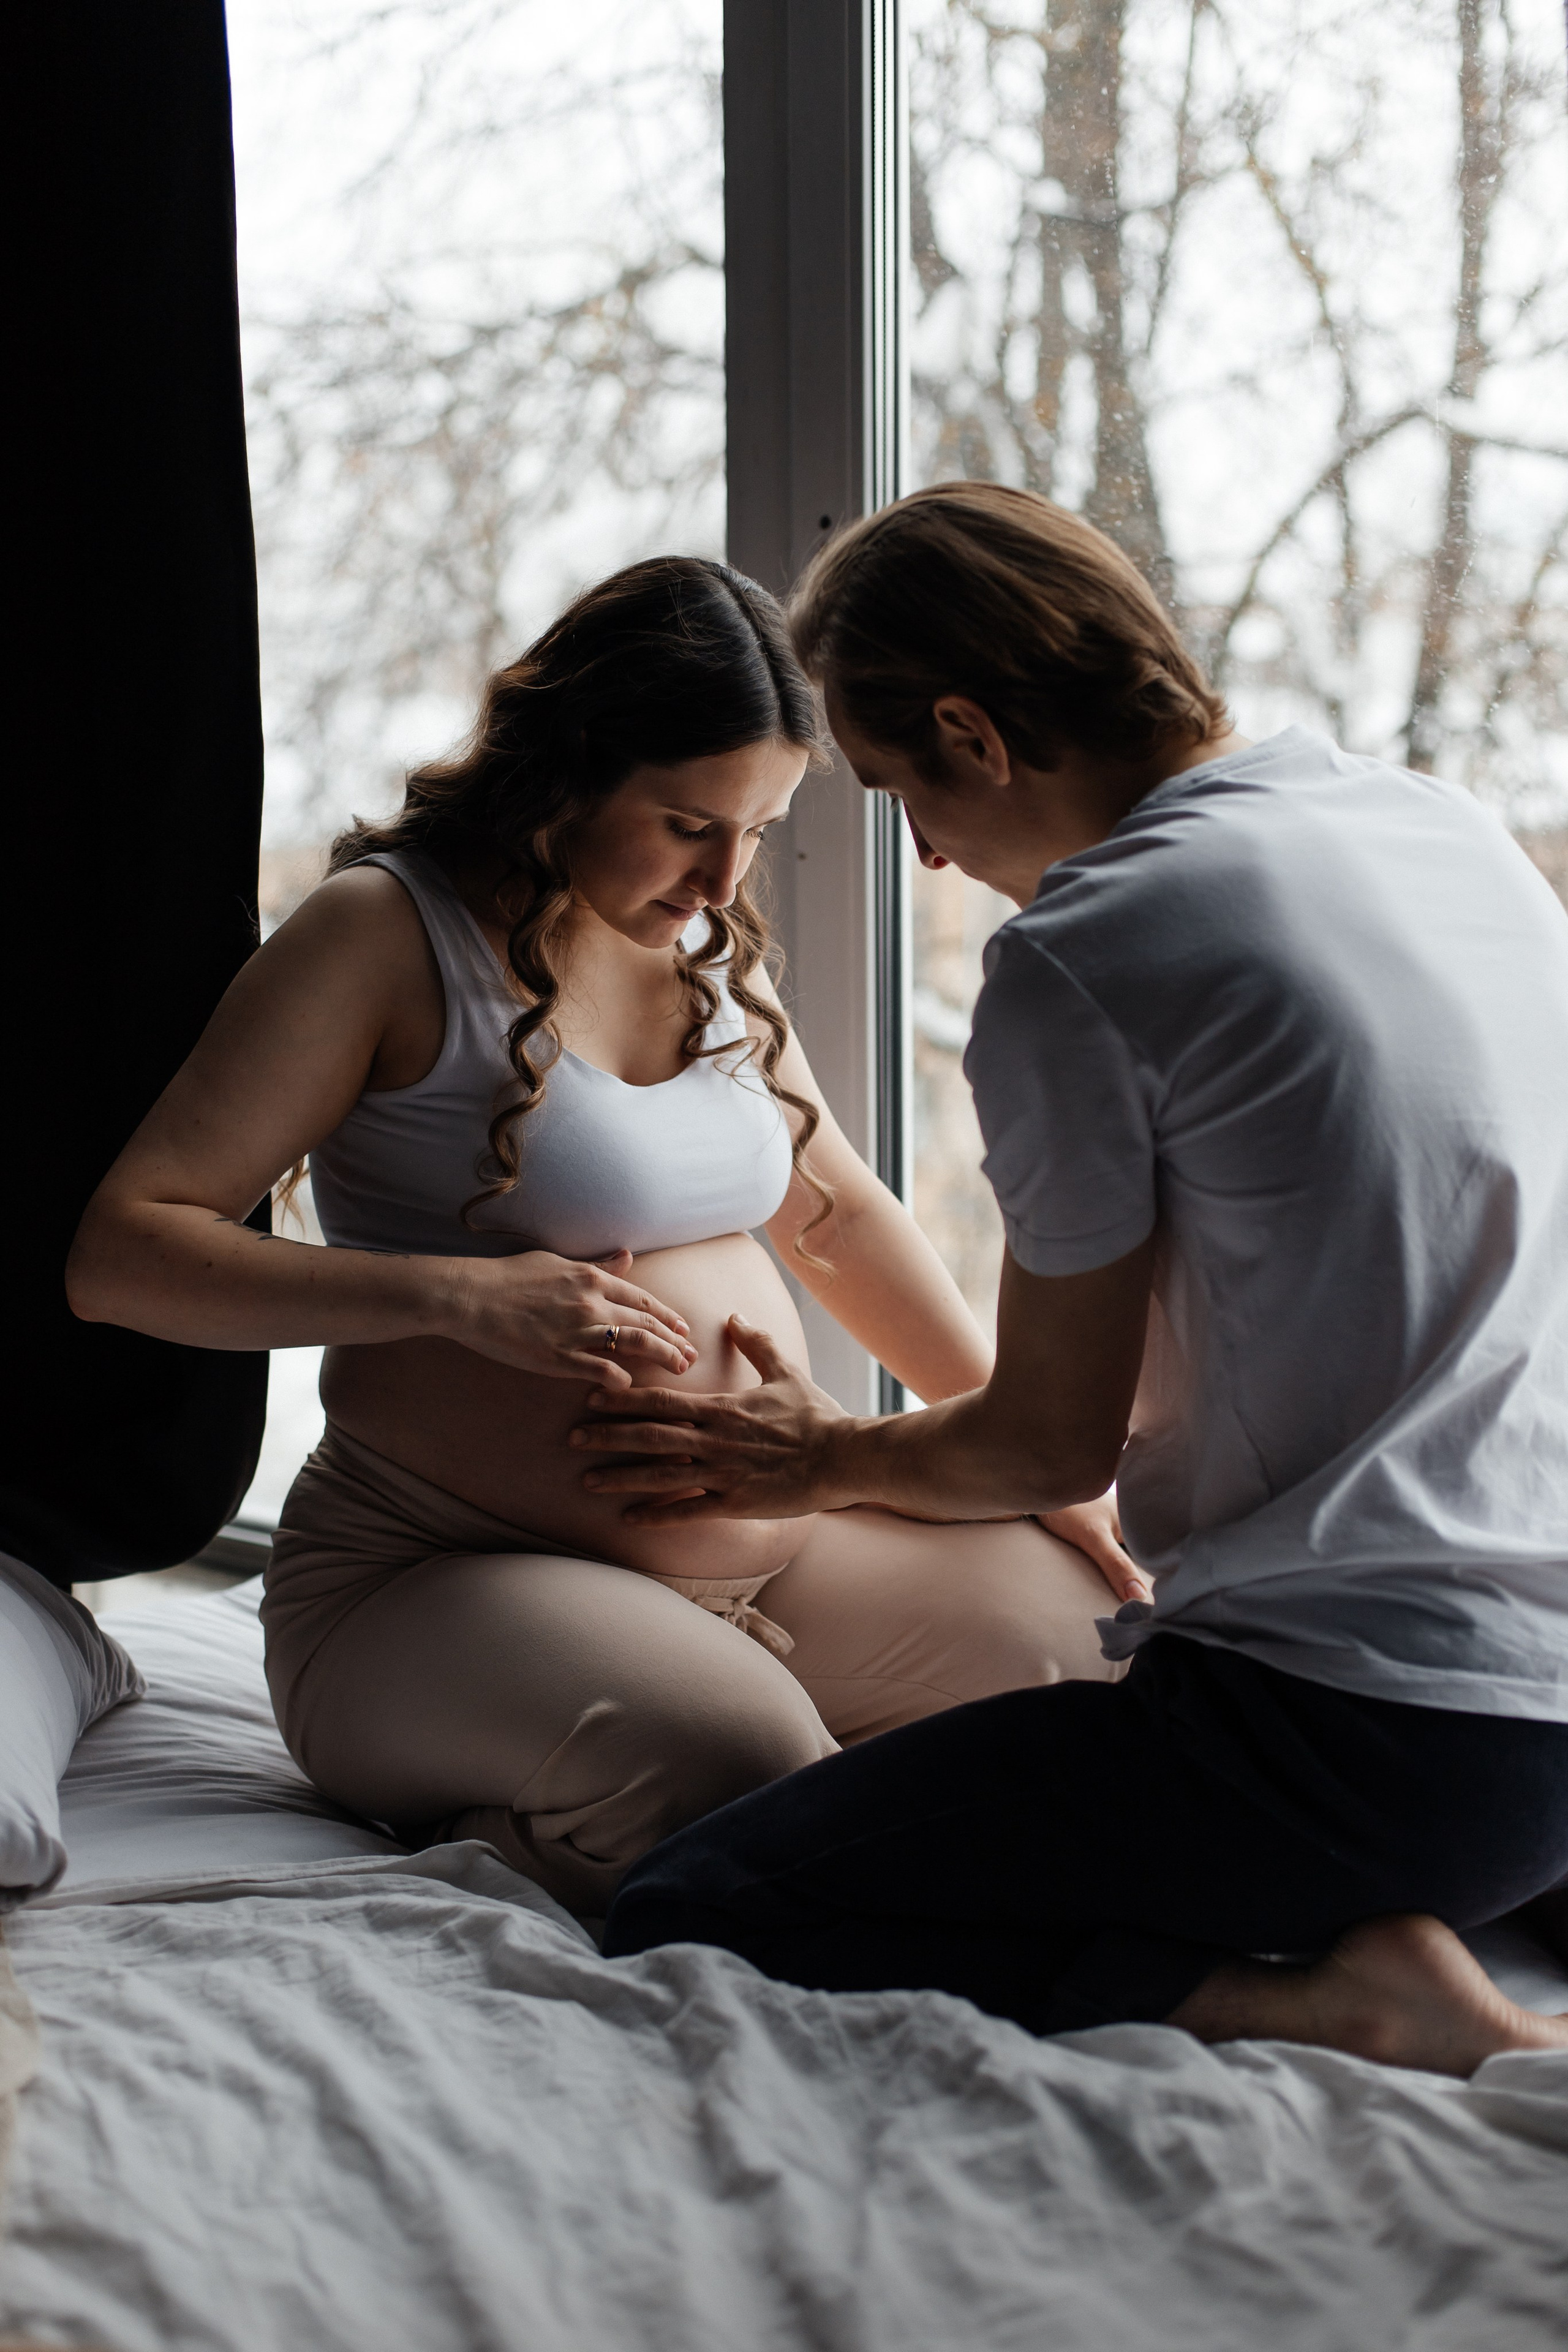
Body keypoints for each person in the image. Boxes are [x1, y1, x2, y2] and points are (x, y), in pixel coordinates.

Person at [592, 489, 1568, 2075]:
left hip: (1376, 1742)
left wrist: (818, 1454)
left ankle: (1321, 1998)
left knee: (693, 1904)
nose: (928, 852)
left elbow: (1048, 1445)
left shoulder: (1090, 949)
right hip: (1546, 1717)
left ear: (970, 733)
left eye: (902, 791)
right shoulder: (1435, 826)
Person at [66, 555, 1144, 1917]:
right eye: (688, 824)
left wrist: (1022, 1453)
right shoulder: (385, 932)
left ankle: (739, 1767)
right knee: (743, 1768)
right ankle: (547, 1813)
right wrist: (454, 1298)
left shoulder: (706, 953)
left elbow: (838, 1217)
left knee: (1103, 1651)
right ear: (568, 767)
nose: (722, 878)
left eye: (757, 830)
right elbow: (124, 1256)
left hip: (778, 1550)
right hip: (438, 1574)